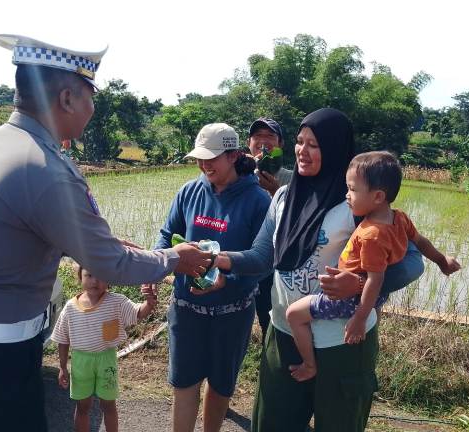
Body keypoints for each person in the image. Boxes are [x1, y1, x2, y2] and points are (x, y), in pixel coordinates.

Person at [0, 34, 213, 432]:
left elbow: (11, 236)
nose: (93, 107)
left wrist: (93, 247)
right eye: (91, 95)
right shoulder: (48, 170)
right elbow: (112, 265)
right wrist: (177, 258)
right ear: (66, 99)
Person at [214, 108, 425, 432]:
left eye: (314, 144)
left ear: (335, 148)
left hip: (342, 343)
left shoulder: (358, 202)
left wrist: (357, 284)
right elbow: (261, 256)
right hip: (285, 333)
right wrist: (216, 260)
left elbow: (412, 263)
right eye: (299, 142)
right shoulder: (284, 195)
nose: (302, 150)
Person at [285, 151, 461, 381]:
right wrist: (442, 261)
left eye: (352, 190)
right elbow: (420, 242)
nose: (347, 195)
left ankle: (309, 365)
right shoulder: (400, 218)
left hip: (350, 298)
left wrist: (359, 318)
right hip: (375, 297)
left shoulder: (372, 235)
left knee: (293, 314)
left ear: (378, 196)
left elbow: (374, 279)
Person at [153, 123, 271, 432]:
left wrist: (227, 281)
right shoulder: (190, 192)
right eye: (199, 159)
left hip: (232, 312)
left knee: (220, 385)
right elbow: (166, 237)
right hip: (186, 306)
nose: (204, 165)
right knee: (184, 381)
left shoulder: (259, 202)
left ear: (233, 155)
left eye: (212, 158)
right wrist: (154, 265)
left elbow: (263, 264)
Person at [52, 264, 158, 432]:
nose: (95, 281)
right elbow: (62, 339)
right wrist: (63, 367)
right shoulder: (71, 307)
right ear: (80, 277)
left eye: (102, 275)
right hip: (81, 361)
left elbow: (137, 312)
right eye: (90, 275)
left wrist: (149, 304)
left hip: (106, 360)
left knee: (108, 405)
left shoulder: (116, 301)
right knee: (83, 406)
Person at [247, 117, 293, 340]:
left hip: (276, 261)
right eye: (258, 136)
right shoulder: (239, 176)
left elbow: (296, 223)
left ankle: (271, 356)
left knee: (271, 316)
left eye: (270, 137)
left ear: (280, 144)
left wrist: (276, 192)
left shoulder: (293, 180)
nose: (263, 141)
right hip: (246, 257)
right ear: (249, 143)